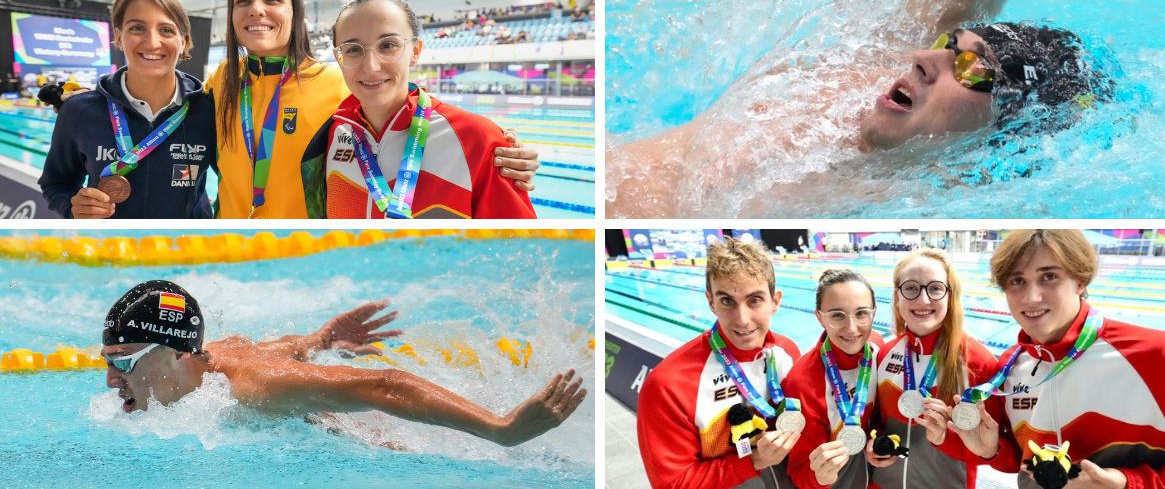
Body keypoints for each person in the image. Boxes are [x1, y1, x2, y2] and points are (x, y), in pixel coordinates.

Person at [606, 0, 1111, 217]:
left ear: (1013, 127)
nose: (925, 59)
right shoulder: (860, 74)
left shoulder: (918, 204)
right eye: (947, 42)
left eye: (973, 70)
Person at [206, 0, 541, 218]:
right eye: (243, 0)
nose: (256, 9)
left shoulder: (336, 84)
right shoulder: (222, 78)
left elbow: (407, 107)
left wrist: (496, 145)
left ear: (295, 13)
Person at [101, 280, 585, 447]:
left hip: (370, 436)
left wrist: (500, 428)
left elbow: (385, 385)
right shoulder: (216, 355)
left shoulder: (252, 388)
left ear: (177, 352)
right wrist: (319, 341)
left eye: (123, 362)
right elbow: (271, 346)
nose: (110, 380)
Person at [929, 229, 1165, 489]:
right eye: (1017, 281)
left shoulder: (1163, 358)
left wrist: (1129, 483)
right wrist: (992, 450)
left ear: (1080, 280)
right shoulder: (1010, 369)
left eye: (1049, 277)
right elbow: (1017, 462)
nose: (1031, 297)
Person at [300, 0, 536, 219]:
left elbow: (519, 246)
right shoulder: (330, 134)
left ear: (414, 51)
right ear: (338, 57)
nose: (371, 66)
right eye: (353, 50)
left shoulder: (477, 139)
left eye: (388, 45)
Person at [637, 237, 803, 488]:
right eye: (727, 301)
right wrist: (753, 461)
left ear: (776, 301)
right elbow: (673, 483)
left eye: (754, 299)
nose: (742, 319)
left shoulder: (788, 351)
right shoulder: (669, 384)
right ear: (711, 301)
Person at [39, 0, 217, 219]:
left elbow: (238, 180)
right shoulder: (79, 111)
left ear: (183, 41)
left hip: (185, 248)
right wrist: (73, 207)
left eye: (166, 30)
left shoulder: (209, 110)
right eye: (137, 28)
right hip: (114, 247)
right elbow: (55, 184)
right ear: (118, 36)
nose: (152, 43)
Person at [868, 248, 998, 489]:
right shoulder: (885, 355)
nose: (923, 300)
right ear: (897, 296)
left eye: (935, 288)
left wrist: (944, 438)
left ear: (951, 295)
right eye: (911, 288)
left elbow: (991, 453)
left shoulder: (978, 363)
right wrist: (872, 441)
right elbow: (875, 420)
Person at [781, 269, 885, 489]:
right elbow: (798, 471)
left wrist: (879, 437)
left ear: (873, 313)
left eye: (861, 313)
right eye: (838, 315)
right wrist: (820, 478)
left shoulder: (878, 350)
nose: (851, 328)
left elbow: (880, 414)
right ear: (820, 317)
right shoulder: (801, 382)